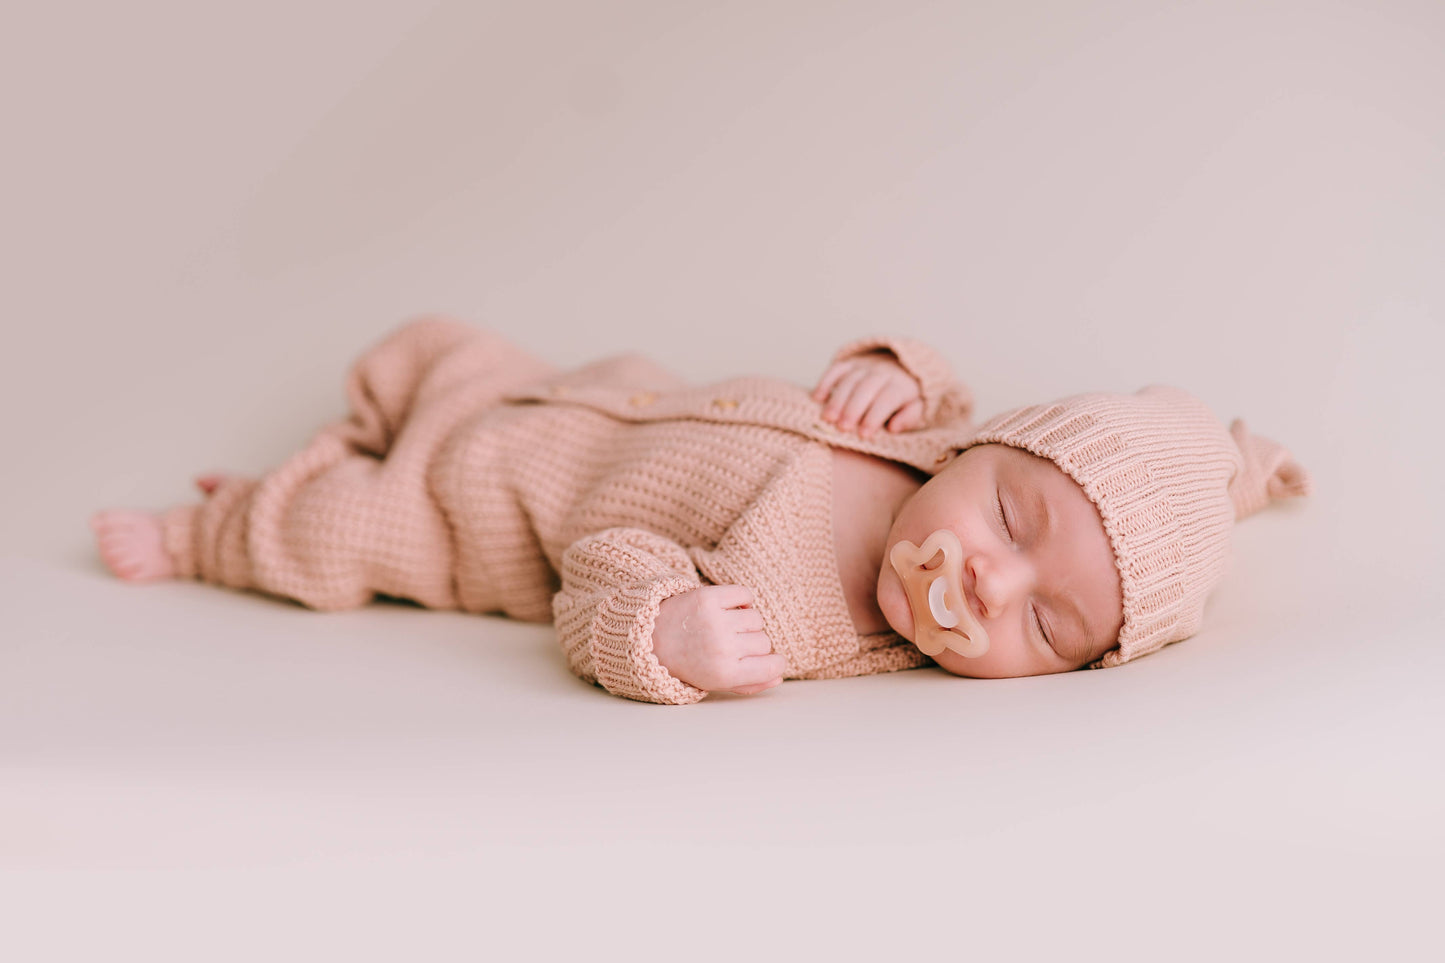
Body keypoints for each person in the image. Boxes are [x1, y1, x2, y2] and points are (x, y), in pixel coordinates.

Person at [90, 315, 1311, 705]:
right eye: (1010, 516)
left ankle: (209, 531)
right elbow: (1163, 453)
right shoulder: (930, 429)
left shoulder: (807, 618)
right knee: (450, 354)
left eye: (1045, 632)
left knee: (341, 530)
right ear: (985, 448)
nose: (987, 581)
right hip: (606, 400)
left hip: (492, 514)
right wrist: (894, 366)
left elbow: (599, 573)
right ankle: (378, 415)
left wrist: (659, 637)